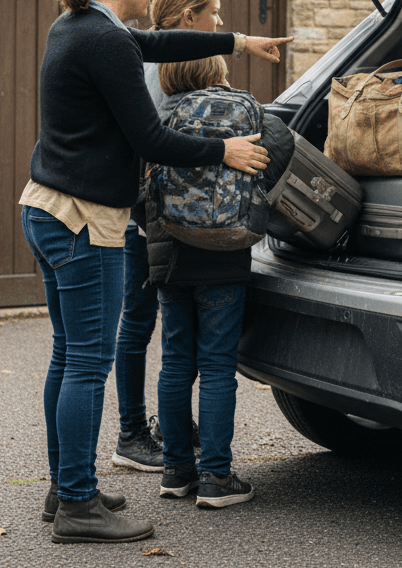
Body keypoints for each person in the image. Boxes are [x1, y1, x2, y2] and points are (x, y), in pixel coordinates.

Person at [19, 0, 290, 544]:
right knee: (87, 363)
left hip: (46, 207)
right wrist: (226, 149)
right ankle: (80, 507)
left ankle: (66, 488)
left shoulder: (79, 25)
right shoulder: (103, 39)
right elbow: (153, 141)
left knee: (68, 356)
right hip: (84, 221)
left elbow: (156, 42)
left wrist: (238, 39)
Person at [111, 0, 229, 472]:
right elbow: (150, 150)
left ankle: (167, 426)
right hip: (148, 222)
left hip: (151, 218)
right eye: (213, 14)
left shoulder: (158, 61)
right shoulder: (158, 71)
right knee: (139, 324)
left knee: (154, 328)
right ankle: (132, 434)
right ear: (188, 18)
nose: (219, 21)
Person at [146, 50, 257, 509]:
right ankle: (215, 477)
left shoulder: (160, 115)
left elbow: (140, 189)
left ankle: (175, 470)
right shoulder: (243, 110)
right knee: (216, 365)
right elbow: (281, 154)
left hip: (171, 255)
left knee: (175, 361)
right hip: (226, 253)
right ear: (216, 70)